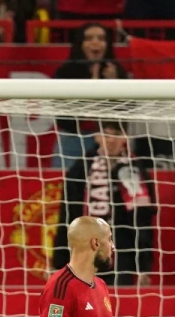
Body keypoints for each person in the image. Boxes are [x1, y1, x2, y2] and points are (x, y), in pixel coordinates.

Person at [50, 119, 155, 286]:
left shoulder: (138, 172)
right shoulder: (80, 170)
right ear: (97, 137)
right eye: (106, 134)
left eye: (117, 135)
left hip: (123, 259)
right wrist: (58, 263)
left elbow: (144, 223)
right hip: (84, 258)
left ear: (125, 138)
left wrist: (144, 267)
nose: (111, 140)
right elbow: (66, 217)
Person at [52, 23, 126, 170]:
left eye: (101, 38)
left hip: (110, 141)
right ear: (80, 44)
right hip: (73, 139)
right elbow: (62, 115)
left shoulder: (118, 72)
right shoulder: (65, 73)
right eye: (89, 38)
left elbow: (126, 113)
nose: (95, 42)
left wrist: (115, 83)